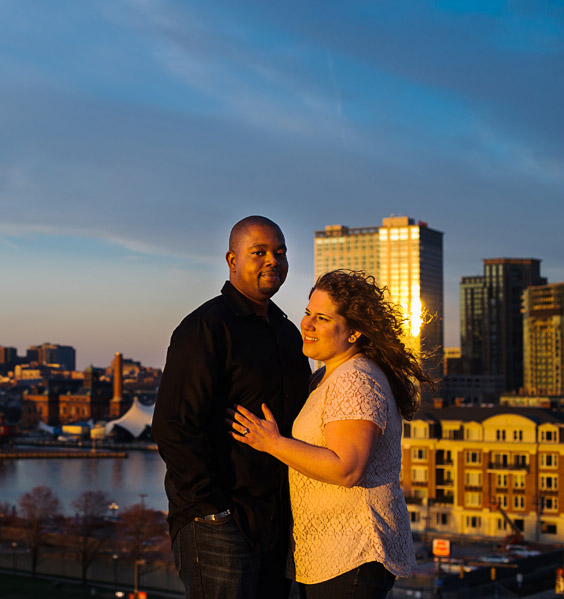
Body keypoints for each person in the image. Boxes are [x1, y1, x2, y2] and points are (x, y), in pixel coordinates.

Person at [229, 269, 432, 599]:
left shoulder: (355, 379)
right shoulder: (328, 377)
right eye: (308, 313)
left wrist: (271, 442)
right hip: (333, 556)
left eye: (322, 318)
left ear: (353, 333)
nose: (307, 324)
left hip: (353, 554)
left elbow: (346, 468)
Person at [152, 216, 311, 599]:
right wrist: (213, 511)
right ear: (232, 259)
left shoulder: (287, 332)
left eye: (280, 252)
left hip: (277, 523)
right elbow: (173, 427)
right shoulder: (206, 327)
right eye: (259, 252)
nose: (273, 260)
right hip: (220, 524)